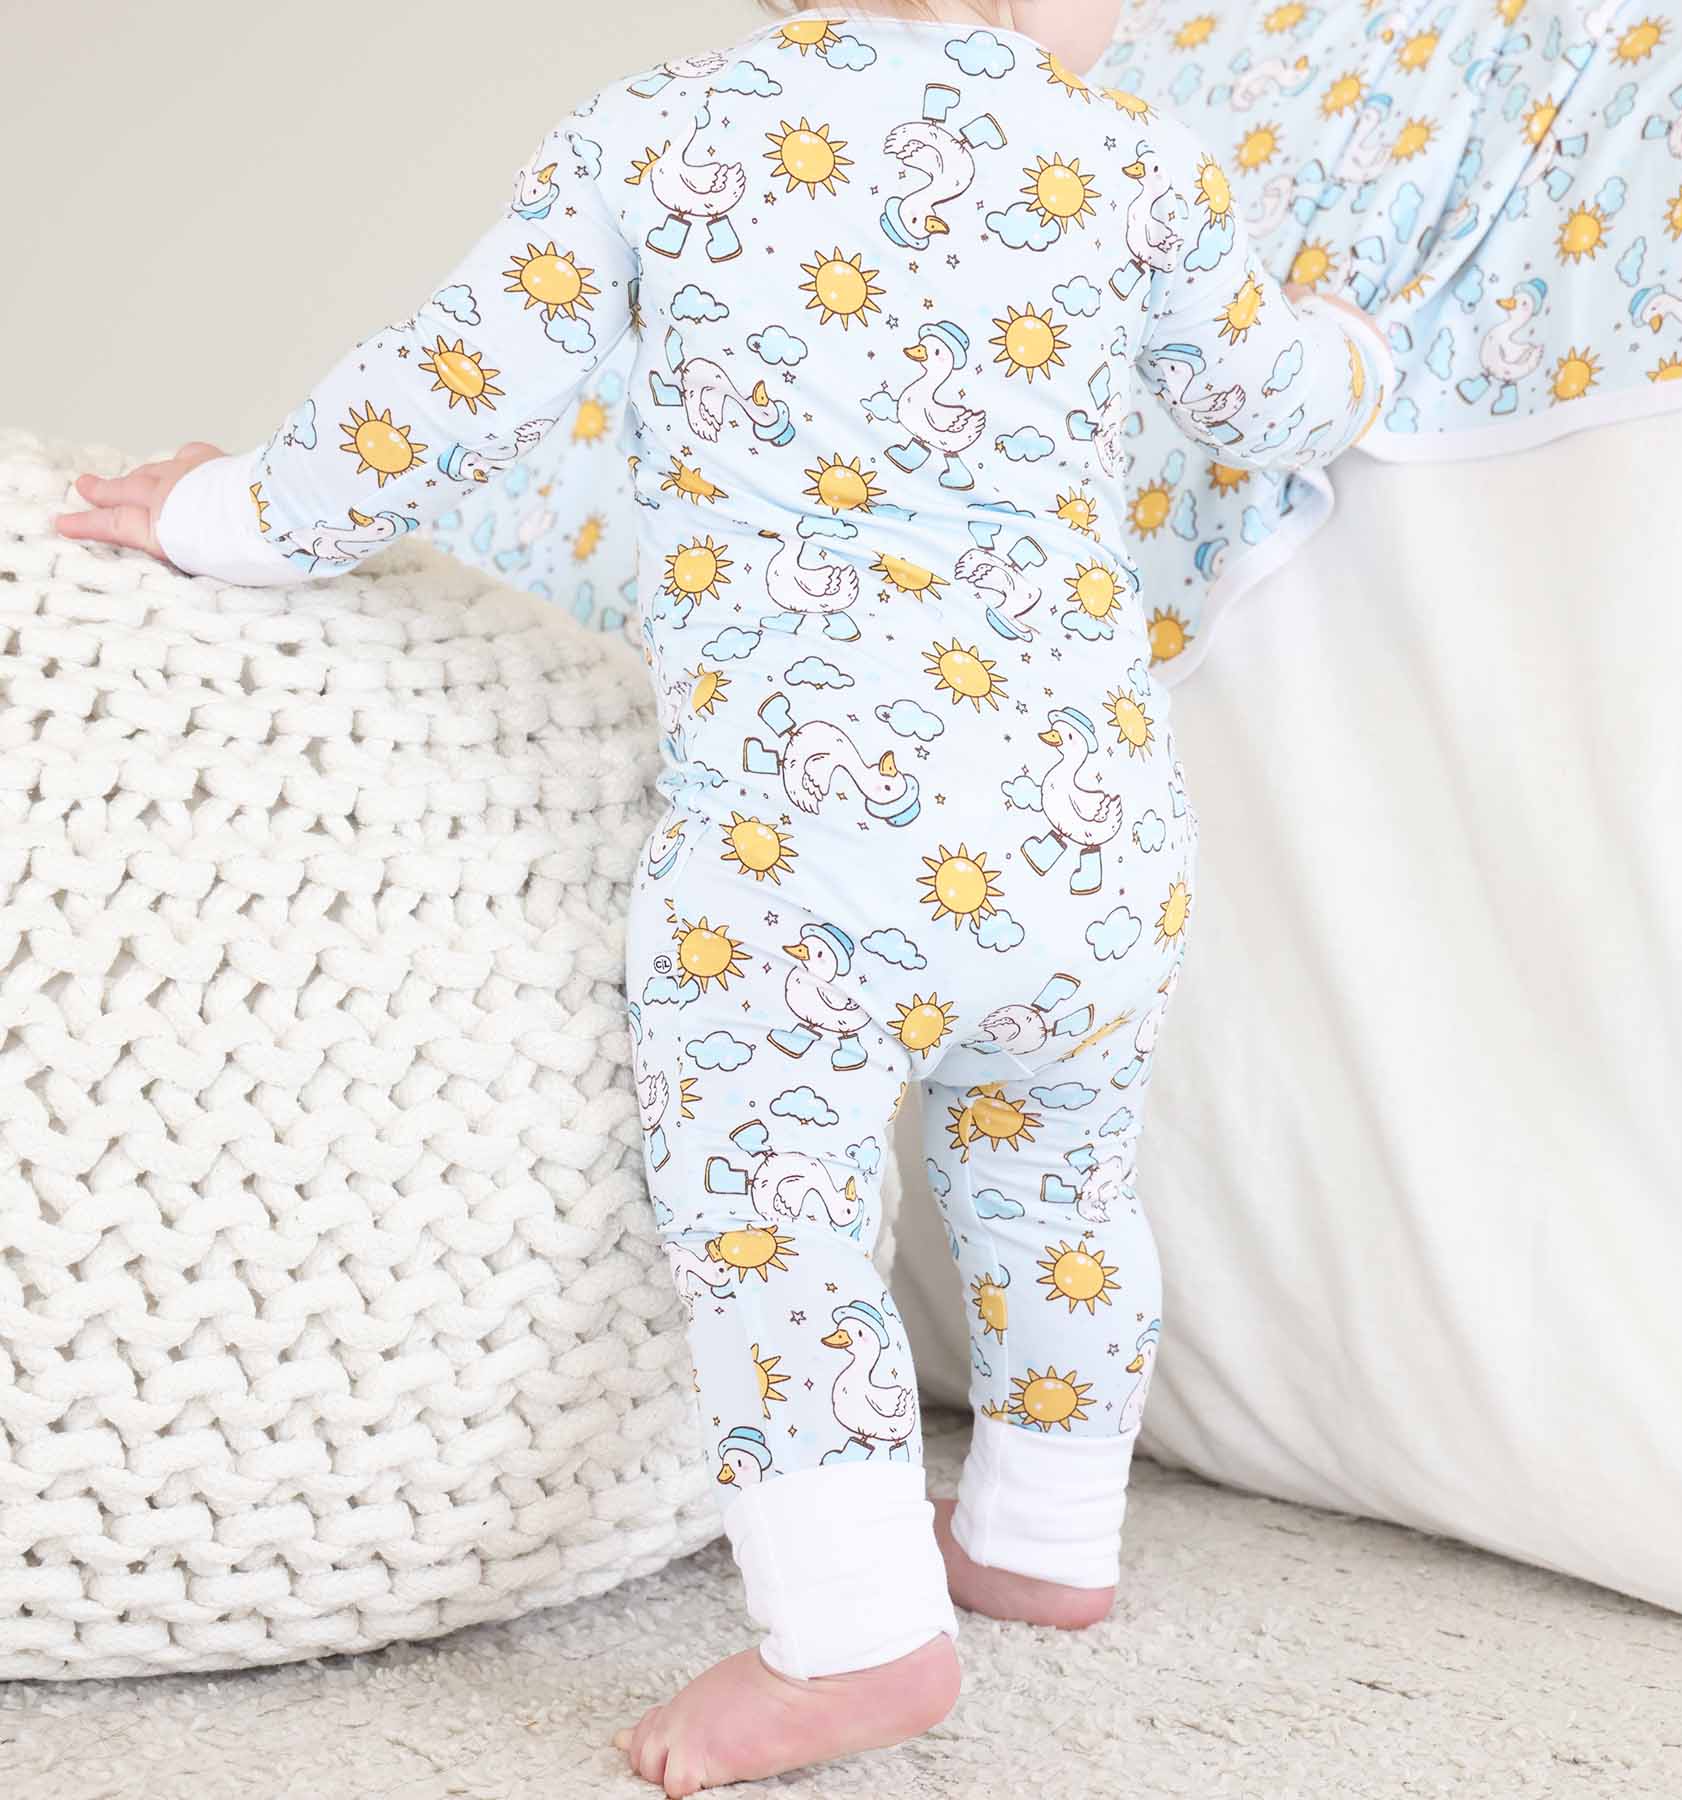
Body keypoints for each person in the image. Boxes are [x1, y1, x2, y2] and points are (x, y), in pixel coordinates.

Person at [55, 1, 1389, 1791]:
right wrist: (1353, 351)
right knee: (1058, 1184)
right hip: (1088, 831)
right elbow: (1265, 401)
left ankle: (855, 1631)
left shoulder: (669, 131)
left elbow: (450, 391)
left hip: (806, 848)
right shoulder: (1138, 158)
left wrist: (229, 515)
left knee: (775, 1218)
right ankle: (1047, 1536)